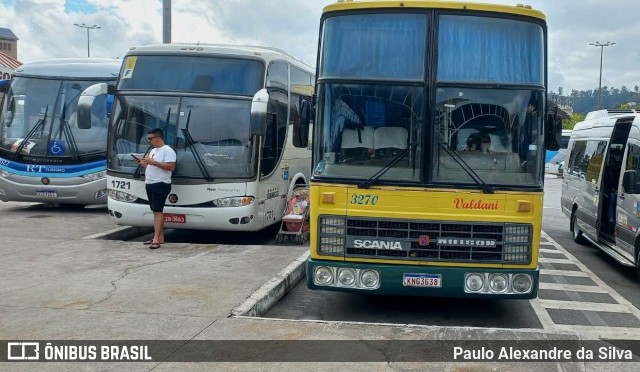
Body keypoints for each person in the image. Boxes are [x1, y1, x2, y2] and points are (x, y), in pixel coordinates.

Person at [135, 128, 176, 249]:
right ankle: (159, 237)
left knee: (158, 211)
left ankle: (156, 239)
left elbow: (171, 167)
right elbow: (151, 164)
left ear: (158, 138)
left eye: (150, 139)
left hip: (161, 183)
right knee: (155, 211)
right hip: (150, 182)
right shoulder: (153, 150)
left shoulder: (167, 150)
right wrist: (143, 163)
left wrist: (153, 162)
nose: (149, 141)